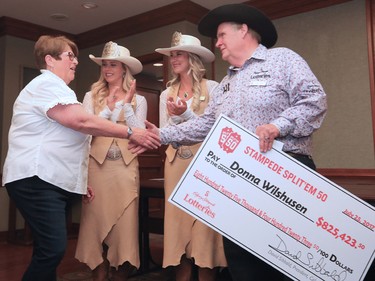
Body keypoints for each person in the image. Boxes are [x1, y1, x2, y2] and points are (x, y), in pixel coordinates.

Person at [130, 4, 328, 281]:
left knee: (287, 259)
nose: (219, 42)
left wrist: (277, 126)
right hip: (239, 177)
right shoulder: (225, 84)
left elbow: (313, 100)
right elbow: (207, 124)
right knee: (242, 258)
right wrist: (159, 135)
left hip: (283, 172)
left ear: (244, 30)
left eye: (222, 35)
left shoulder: (283, 59)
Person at [2, 35, 160, 281]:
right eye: (69, 56)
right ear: (49, 60)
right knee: (52, 249)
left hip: (51, 179)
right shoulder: (48, 84)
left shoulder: (58, 89)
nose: (75, 61)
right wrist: (130, 131)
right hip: (37, 178)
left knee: (48, 250)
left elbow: (77, 138)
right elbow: (83, 122)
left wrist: (78, 179)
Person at [155, 32, 227, 281]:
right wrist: (175, 122)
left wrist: (186, 115)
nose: (173, 58)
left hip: (206, 166)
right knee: (178, 226)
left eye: (178, 53)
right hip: (176, 165)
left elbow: (216, 131)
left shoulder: (214, 88)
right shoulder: (167, 94)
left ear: (193, 57)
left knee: (204, 228)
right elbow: (166, 133)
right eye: (172, 54)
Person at [75, 41, 146, 281]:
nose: (107, 69)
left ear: (124, 68)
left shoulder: (140, 99)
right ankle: (98, 275)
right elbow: (85, 131)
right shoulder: (90, 96)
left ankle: (121, 273)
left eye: (113, 64)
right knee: (94, 229)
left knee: (125, 231)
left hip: (124, 171)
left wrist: (126, 107)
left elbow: (140, 134)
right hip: (96, 168)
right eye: (105, 65)